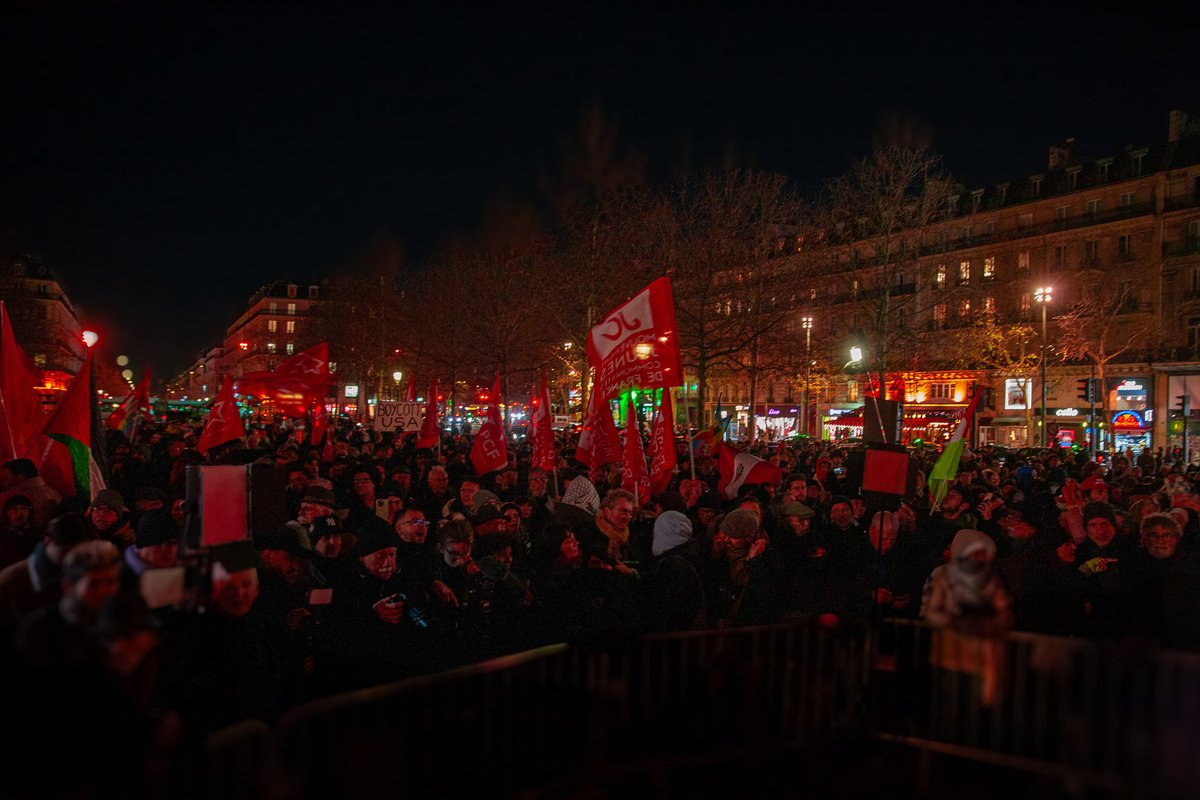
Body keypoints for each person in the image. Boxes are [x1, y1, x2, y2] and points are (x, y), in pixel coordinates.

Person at [920, 529, 1014, 634]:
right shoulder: (943, 575)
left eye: (982, 553)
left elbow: (1004, 610)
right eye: (975, 553)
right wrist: (956, 621)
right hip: (952, 638)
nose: (980, 558)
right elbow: (929, 610)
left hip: (983, 639)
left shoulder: (991, 578)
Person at [0, 458, 62, 529]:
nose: (3, 482)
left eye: (6, 478)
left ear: (20, 477)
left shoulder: (31, 495)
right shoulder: (50, 492)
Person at [0, 494, 39, 569]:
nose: (19, 513)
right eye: (13, 509)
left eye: (24, 509)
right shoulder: (2, 535)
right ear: (6, 512)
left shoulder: (37, 533)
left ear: (29, 512)